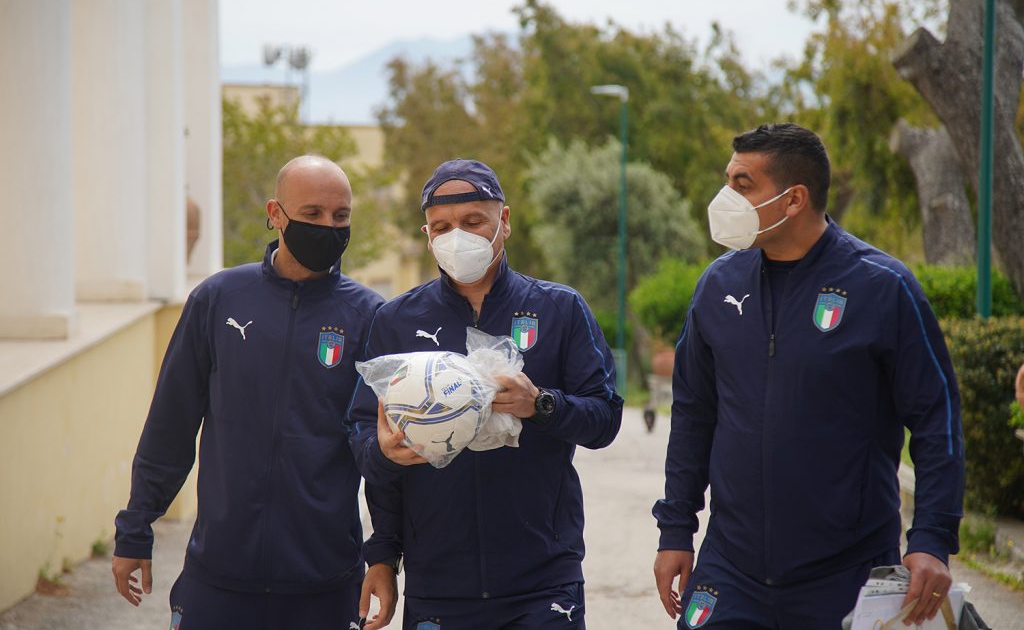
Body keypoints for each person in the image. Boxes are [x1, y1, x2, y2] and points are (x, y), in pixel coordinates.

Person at [652, 124, 965, 629]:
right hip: (731, 568)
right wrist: (675, 530)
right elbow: (693, 413)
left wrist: (932, 538)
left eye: (742, 184)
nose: (725, 197)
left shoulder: (883, 287)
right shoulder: (718, 284)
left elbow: (937, 417)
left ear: (793, 199)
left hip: (848, 571)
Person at [111, 155, 397, 630]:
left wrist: (385, 555)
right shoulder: (218, 298)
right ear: (275, 213)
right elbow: (172, 422)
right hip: (219, 577)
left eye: (340, 216)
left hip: (324, 582)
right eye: (313, 214)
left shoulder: (371, 316)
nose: (328, 226)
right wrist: (135, 529)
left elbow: (383, 448)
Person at [347, 159, 623, 629]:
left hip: (543, 581)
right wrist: (383, 553)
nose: (459, 236)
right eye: (442, 226)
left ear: (505, 222)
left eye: (474, 222)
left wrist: (542, 405)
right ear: (427, 234)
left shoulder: (559, 308)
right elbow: (363, 436)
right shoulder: (396, 320)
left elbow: (605, 419)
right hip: (439, 584)